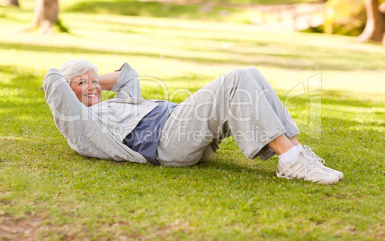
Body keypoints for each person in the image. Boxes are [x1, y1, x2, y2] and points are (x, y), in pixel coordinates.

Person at [43, 59, 343, 185]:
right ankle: (289, 162)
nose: (93, 86)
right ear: (67, 93)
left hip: (180, 125)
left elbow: (127, 76)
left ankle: (297, 153)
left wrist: (92, 81)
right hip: (167, 141)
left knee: (250, 73)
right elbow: (53, 81)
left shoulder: (117, 103)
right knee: (236, 79)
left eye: (94, 81)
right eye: (81, 84)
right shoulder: (80, 125)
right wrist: (74, 84)